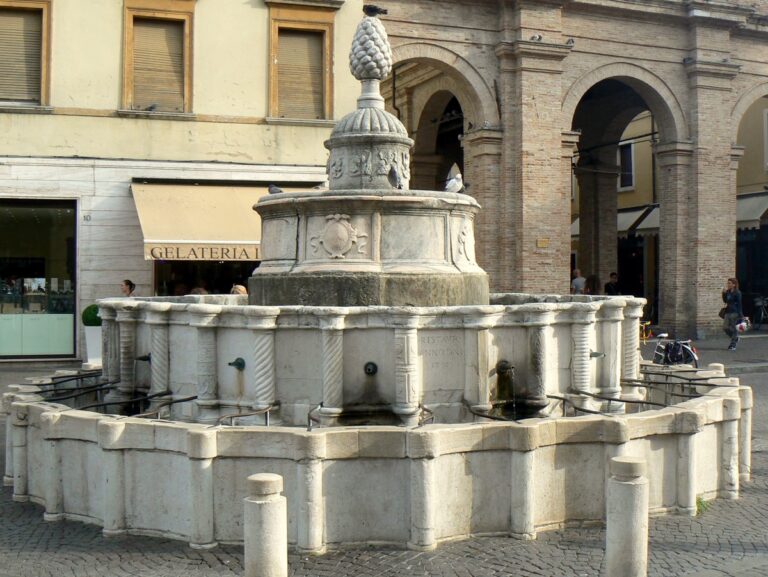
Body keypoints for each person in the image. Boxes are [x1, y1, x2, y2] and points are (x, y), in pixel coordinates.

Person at [722, 277, 743, 350]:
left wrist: (740, 315)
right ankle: (735, 338)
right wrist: (723, 293)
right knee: (725, 327)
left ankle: (733, 345)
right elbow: (725, 301)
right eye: (728, 283)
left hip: (735, 312)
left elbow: (740, 304)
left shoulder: (737, 292)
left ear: (734, 284)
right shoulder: (728, 292)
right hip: (728, 312)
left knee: (734, 328)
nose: (728, 284)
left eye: (729, 283)